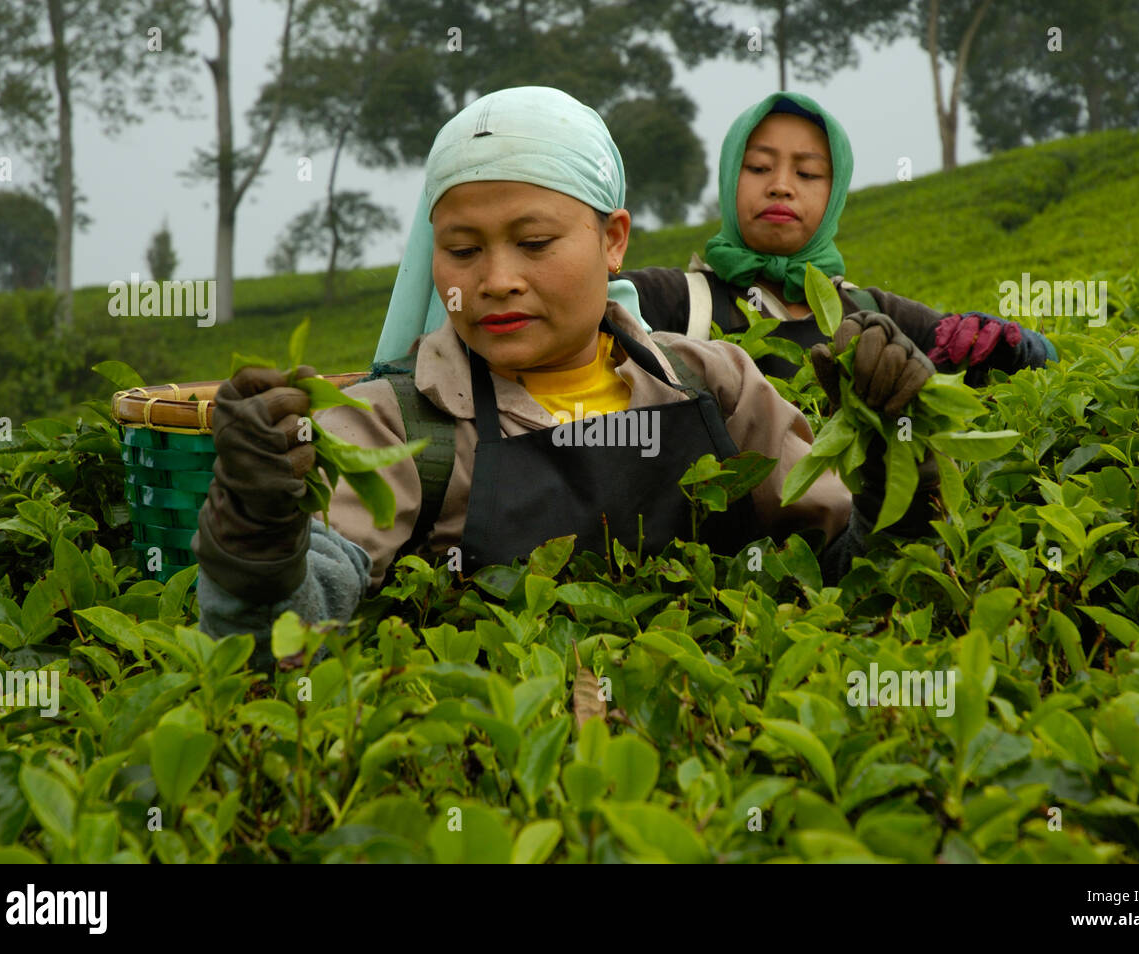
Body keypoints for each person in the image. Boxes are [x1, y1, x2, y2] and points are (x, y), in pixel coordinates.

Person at [191, 86, 943, 655]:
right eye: (462, 249)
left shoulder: (716, 387)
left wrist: (895, 459)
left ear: (613, 240)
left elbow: (861, 584)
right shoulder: (398, 423)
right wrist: (257, 531)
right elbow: (279, 641)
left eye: (535, 242)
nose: (496, 279)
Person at [615, 91, 1057, 384]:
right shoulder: (677, 300)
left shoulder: (875, 315)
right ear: (730, 177)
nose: (781, 186)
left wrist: (1012, 346)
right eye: (758, 168)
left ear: (835, 192)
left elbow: (1044, 367)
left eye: (807, 173)